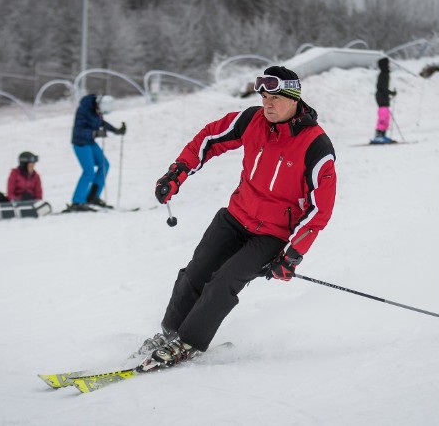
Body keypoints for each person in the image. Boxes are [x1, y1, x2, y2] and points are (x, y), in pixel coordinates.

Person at [137, 66, 337, 372]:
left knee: (223, 282)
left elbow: (319, 210)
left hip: (271, 234)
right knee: (195, 272)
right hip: (236, 216)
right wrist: (176, 173)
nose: (267, 104)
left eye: (275, 98)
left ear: (294, 99)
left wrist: (292, 255)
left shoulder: (316, 147)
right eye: (264, 96)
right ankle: (170, 333)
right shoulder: (251, 120)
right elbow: (208, 140)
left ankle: (189, 342)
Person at [66, 94, 126, 212]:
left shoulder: (96, 109)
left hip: (90, 142)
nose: (100, 112)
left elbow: (101, 123)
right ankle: (77, 201)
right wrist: (95, 133)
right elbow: (79, 130)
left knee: (104, 165)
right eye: (99, 110)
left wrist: (116, 130)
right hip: (80, 143)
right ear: (98, 105)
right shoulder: (84, 109)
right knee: (88, 171)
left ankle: (92, 196)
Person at [370, 57, 397, 144]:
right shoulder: (383, 74)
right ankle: (378, 136)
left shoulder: (385, 74)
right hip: (381, 97)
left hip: (383, 97)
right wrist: (391, 93)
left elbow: (383, 87)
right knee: (383, 116)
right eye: (388, 64)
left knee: (386, 116)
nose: (389, 65)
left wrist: (389, 93)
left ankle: (383, 134)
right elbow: (382, 87)